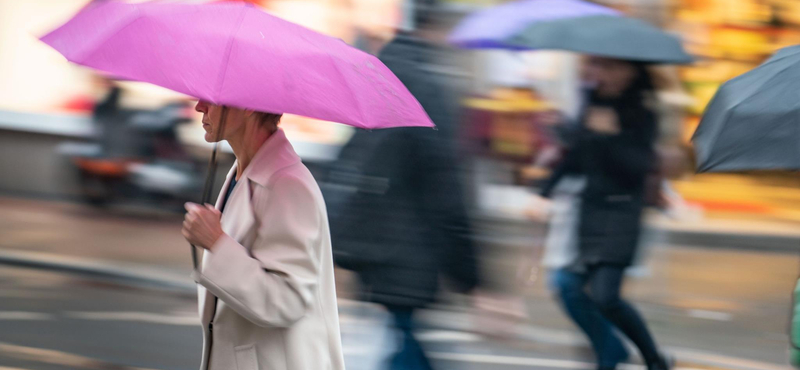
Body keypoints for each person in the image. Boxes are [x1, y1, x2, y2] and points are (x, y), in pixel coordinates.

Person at [327, 1, 480, 369]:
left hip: (372, 247)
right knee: (402, 347)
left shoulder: (382, 77)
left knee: (400, 342)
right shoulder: (428, 87)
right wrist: (471, 275)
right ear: (434, 28)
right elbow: (446, 186)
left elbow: (350, 159)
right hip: (409, 251)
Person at [181, 101, 345, 370]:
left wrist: (216, 242)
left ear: (247, 105)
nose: (199, 107)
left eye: (211, 100)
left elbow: (286, 301)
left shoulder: (288, 185)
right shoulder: (242, 172)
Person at [537, 56, 671, 370]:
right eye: (602, 67)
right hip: (591, 212)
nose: (604, 74)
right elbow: (577, 158)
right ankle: (608, 352)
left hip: (623, 212)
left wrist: (610, 134)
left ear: (631, 72)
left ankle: (653, 359)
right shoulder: (591, 103)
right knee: (568, 287)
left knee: (605, 296)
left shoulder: (643, 113)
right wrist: (543, 191)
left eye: (613, 68)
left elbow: (637, 167)